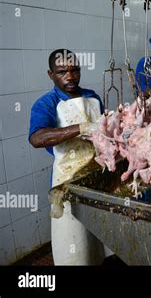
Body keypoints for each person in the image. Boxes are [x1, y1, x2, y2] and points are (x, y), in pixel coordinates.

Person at [29, 49, 109, 265]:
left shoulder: (93, 97)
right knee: (74, 247)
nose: (71, 76)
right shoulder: (46, 103)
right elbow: (37, 138)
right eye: (63, 71)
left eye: (75, 70)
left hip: (98, 176)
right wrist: (80, 127)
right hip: (67, 182)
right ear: (50, 74)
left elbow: (104, 131)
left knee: (102, 243)